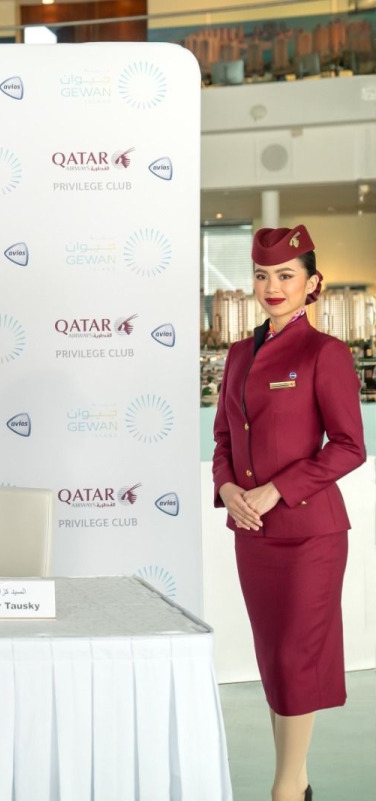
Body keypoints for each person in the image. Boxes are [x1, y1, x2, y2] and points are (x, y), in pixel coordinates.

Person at [212, 224, 365, 801]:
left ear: (312, 283)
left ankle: (285, 789)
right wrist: (227, 491)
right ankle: (295, 785)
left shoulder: (325, 353)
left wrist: (278, 490)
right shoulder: (235, 355)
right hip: (252, 533)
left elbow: (351, 445)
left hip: (309, 535)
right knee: (273, 658)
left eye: (285, 275)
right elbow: (225, 439)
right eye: (261, 275)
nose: (272, 286)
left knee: (297, 658)